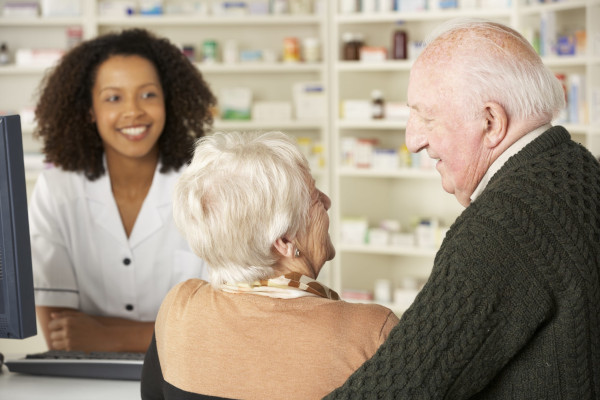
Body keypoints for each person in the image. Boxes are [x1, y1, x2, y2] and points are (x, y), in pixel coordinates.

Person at [326, 18, 600, 398]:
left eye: (427, 116)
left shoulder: (504, 225)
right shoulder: (578, 169)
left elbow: (395, 390)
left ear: (491, 122)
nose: (412, 140)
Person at [140, 131, 400, 399]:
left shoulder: (179, 306)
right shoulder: (370, 332)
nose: (327, 201)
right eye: (314, 197)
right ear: (285, 239)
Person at [30, 28, 216, 353]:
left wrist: (108, 336)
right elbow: (61, 333)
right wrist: (171, 331)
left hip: (184, 383)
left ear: (168, 101)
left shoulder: (207, 186)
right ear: (89, 110)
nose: (134, 111)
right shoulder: (57, 189)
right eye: (114, 98)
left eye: (148, 94)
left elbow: (219, 324)